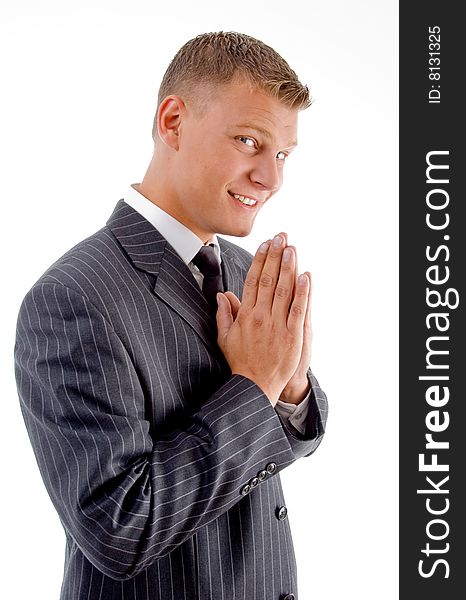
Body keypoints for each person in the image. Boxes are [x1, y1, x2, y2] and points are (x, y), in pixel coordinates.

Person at [14, 31, 328, 600]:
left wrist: (291, 386)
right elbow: (118, 531)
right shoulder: (71, 297)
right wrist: (256, 384)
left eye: (281, 154)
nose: (271, 177)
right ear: (174, 121)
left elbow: (287, 442)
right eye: (249, 140)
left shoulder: (243, 267)